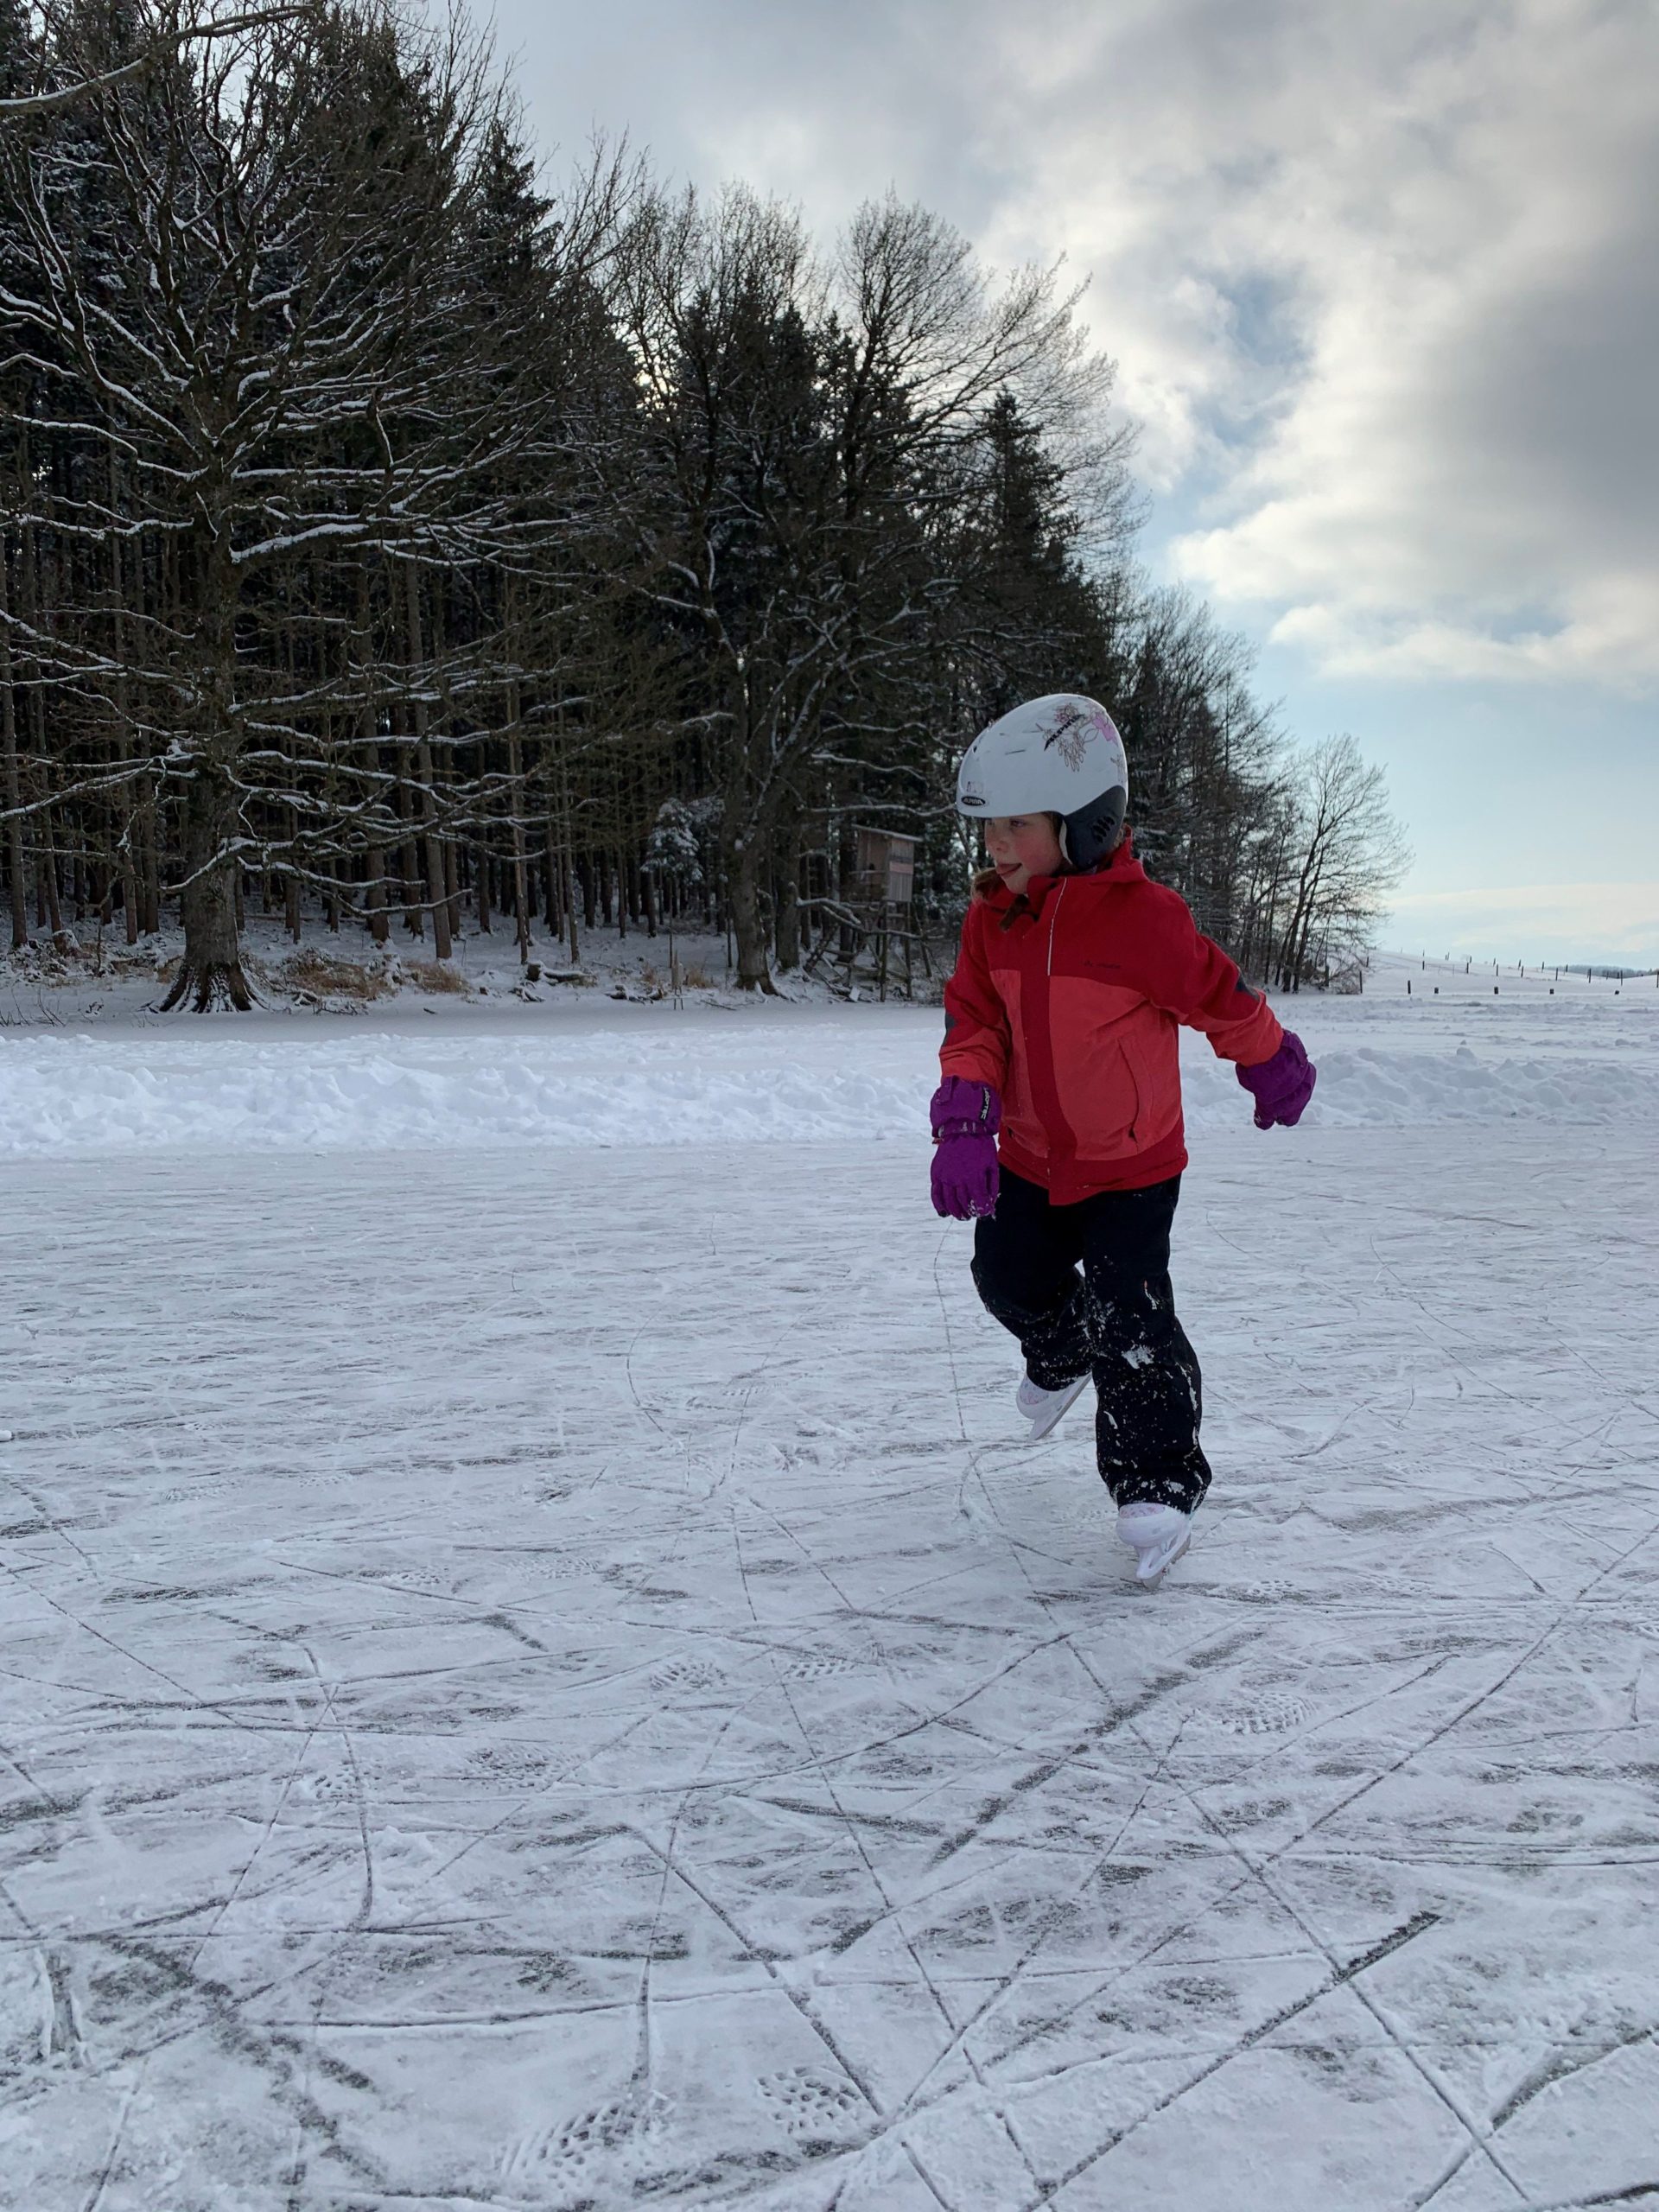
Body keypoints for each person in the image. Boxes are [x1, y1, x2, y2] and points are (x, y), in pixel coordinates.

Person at [931, 694, 1315, 1584]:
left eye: (1016, 826)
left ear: (1086, 824)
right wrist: (964, 1114)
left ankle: (1156, 1480)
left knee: (1133, 1320)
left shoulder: (1145, 921)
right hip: (1028, 1155)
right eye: (990, 826)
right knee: (1005, 1276)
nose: (995, 847)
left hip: (1130, 1167)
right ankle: (1059, 1351)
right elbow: (975, 1018)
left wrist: (1269, 1060)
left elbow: (1219, 997)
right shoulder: (994, 919)